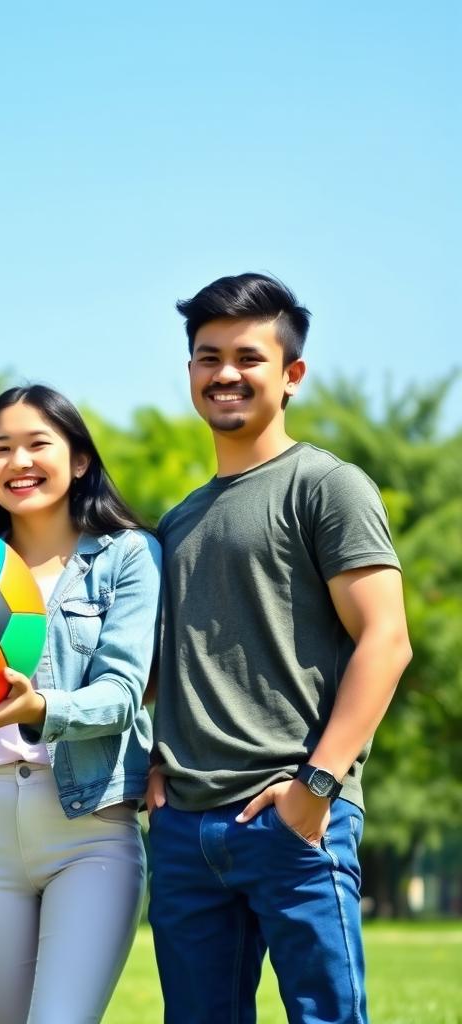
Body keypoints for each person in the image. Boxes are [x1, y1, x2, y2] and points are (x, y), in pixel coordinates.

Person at [147, 273, 413, 1024]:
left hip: (294, 816)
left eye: (247, 357)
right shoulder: (177, 522)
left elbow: (386, 641)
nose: (224, 373)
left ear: (291, 375)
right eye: (206, 356)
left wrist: (316, 788)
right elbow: (175, 667)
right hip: (185, 833)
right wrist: (155, 759)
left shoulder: (327, 486)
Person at [0, 385, 161, 1024]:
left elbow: (122, 695)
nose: (19, 461)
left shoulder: (126, 555)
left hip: (89, 826)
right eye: (0, 448)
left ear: (78, 460)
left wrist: (34, 708)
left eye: (38, 444)